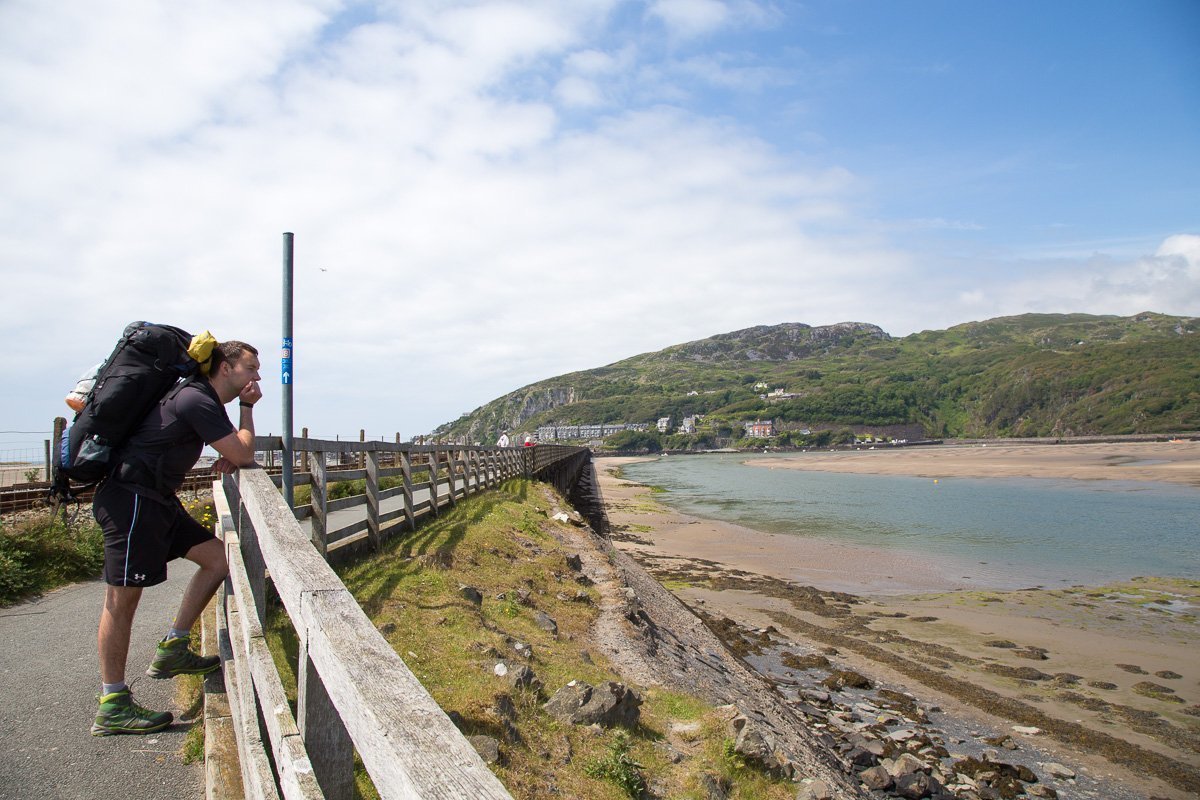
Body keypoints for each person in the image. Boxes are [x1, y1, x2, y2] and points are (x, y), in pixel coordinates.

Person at [91, 340, 262, 736]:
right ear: (225, 368)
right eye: (250, 367)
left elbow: (231, 451)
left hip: (157, 501)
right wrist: (248, 411)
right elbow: (243, 454)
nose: (257, 376)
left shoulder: (201, 401)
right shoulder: (195, 399)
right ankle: (112, 703)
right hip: (131, 500)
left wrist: (230, 450)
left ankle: (172, 649)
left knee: (218, 559)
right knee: (122, 599)